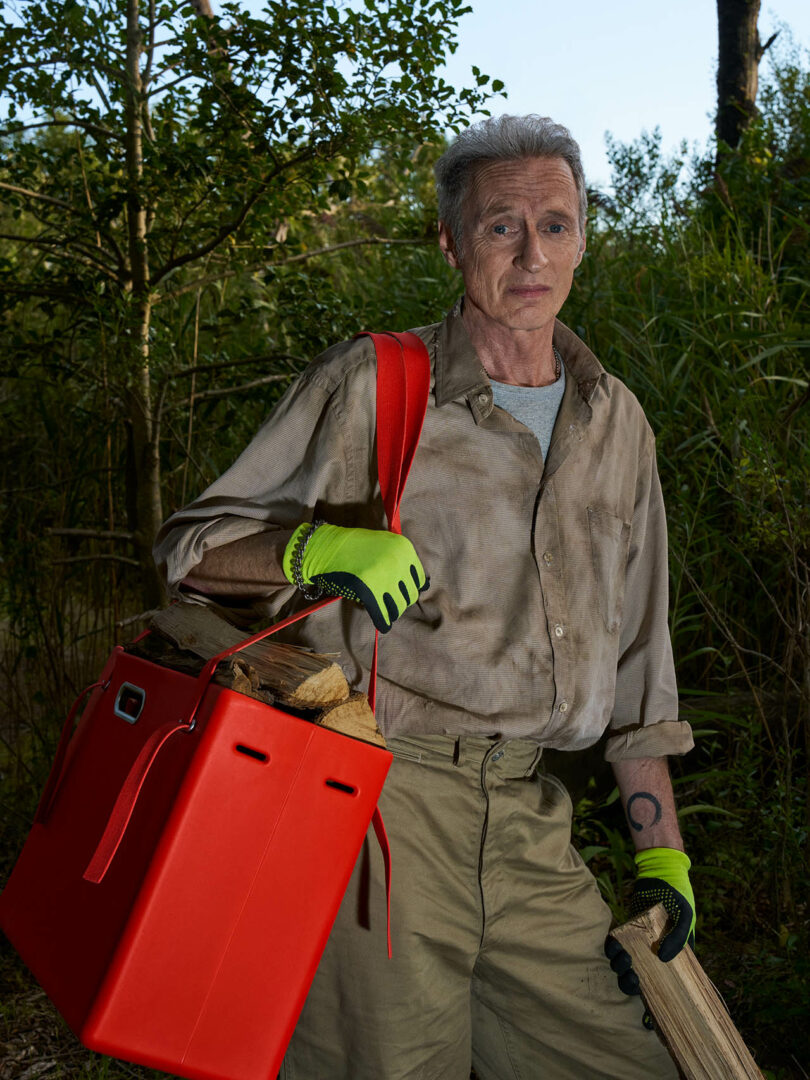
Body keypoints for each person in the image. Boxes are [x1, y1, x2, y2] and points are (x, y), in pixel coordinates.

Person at [154, 114, 696, 1080]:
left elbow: (638, 661)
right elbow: (193, 551)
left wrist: (663, 854)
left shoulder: (617, 420)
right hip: (377, 818)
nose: (533, 253)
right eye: (501, 227)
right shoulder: (374, 385)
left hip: (535, 818)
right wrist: (317, 544)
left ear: (583, 236)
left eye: (558, 225)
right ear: (451, 242)